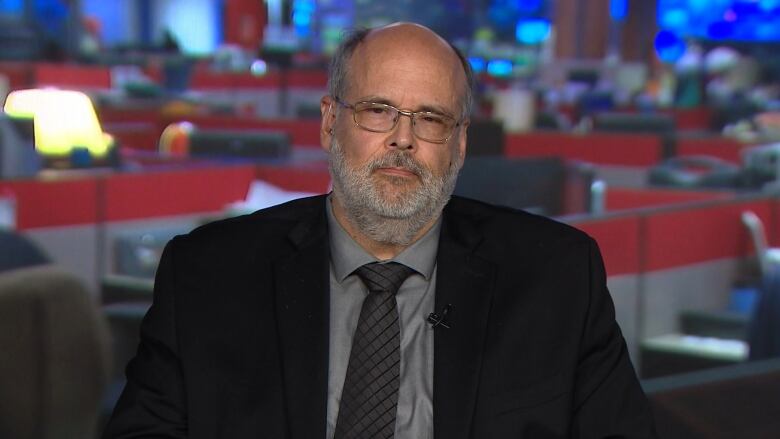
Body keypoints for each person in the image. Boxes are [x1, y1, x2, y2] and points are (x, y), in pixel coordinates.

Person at [103, 23, 656, 438]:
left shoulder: (558, 278)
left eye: (431, 119)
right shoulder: (208, 275)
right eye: (378, 111)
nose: (403, 139)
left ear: (459, 144)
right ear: (329, 123)